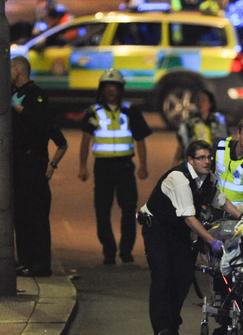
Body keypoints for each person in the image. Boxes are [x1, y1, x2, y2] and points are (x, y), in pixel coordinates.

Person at [140, 140, 243, 335]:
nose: (207, 162)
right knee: (163, 275)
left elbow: (220, 200)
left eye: (209, 157)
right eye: (201, 158)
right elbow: (189, 217)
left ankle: (172, 323)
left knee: (183, 276)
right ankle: (163, 328)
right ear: (190, 160)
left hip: (178, 230)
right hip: (158, 229)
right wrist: (211, 241)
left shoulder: (207, 178)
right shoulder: (179, 179)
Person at [78, 69, 151, 265]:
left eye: (115, 87)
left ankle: (126, 250)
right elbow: (85, 141)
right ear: (102, 89)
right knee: (102, 209)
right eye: (107, 87)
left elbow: (140, 139)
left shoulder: (130, 111)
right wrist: (82, 166)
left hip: (124, 166)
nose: (111, 91)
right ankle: (108, 250)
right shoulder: (93, 112)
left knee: (128, 209)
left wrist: (143, 165)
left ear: (121, 90)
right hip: (102, 167)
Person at [11, 55, 68, 278]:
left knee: (36, 216)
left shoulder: (37, 96)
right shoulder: (9, 93)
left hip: (33, 164)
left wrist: (52, 164)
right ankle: (25, 261)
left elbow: (45, 127)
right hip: (15, 165)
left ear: (18, 70)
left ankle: (40, 264)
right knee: (20, 216)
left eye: (9, 68)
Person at [172, 89, 228, 166]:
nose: (200, 103)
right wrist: (173, 167)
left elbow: (226, 144)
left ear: (210, 103)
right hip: (194, 163)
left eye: (203, 100)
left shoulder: (219, 121)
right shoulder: (189, 122)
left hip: (215, 163)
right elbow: (181, 147)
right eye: (198, 100)